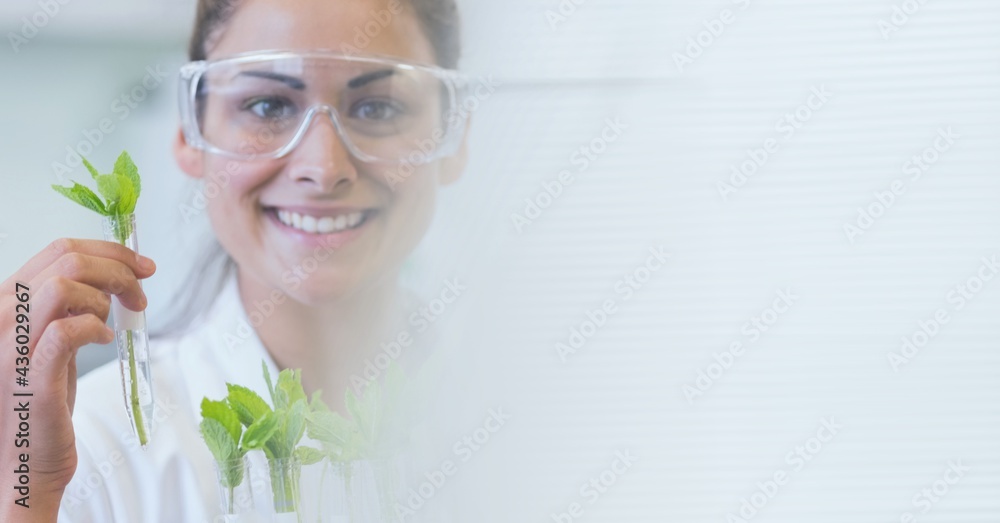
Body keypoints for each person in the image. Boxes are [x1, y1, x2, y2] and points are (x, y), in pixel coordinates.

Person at [0, 0, 469, 520]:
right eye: (268, 106)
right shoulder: (79, 452)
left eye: (377, 108)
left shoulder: (513, 414)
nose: (323, 167)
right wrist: (27, 493)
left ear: (457, 136)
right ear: (190, 131)